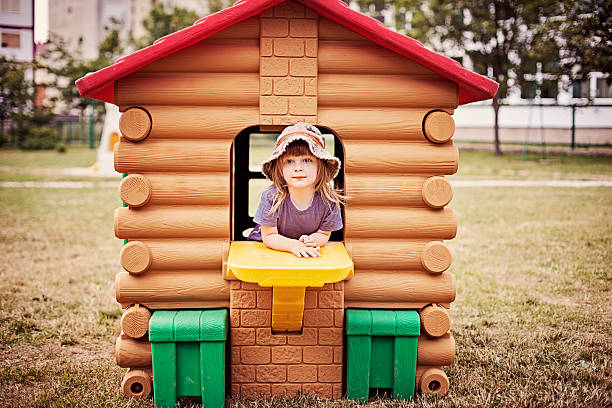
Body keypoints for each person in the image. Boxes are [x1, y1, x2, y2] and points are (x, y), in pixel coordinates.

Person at [248, 122, 344, 258]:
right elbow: (269, 236)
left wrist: (312, 241)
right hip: (267, 251)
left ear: (320, 166)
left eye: (306, 160)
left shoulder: (328, 201)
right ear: (279, 168)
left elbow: (324, 234)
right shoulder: (271, 197)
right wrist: (293, 245)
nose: (298, 168)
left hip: (302, 253)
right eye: (289, 161)